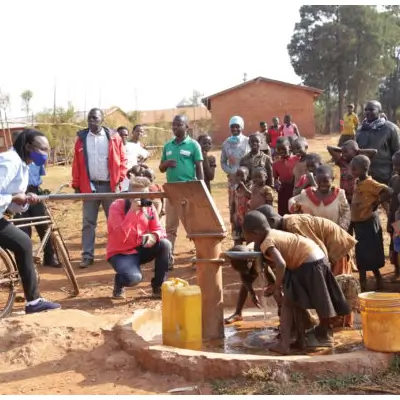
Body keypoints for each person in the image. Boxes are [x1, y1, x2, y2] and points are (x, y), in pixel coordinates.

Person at [242, 211, 350, 353]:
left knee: (288, 304)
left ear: (256, 233)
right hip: (314, 259)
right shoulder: (274, 233)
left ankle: (284, 344)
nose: (245, 238)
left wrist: (277, 287)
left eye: (246, 235)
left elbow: (281, 264)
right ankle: (301, 341)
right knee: (294, 302)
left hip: (308, 263)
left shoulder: (267, 242)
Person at [0, 129, 61, 313]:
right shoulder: (10, 161)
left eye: (47, 150)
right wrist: (13, 197)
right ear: (28, 147)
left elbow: (14, 206)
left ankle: (33, 301)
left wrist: (26, 199)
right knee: (23, 243)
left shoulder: (23, 165)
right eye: (42, 149)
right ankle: (33, 302)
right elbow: (9, 197)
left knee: (23, 243)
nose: (45, 154)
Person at [71, 108, 127, 268]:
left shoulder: (114, 137)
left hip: (110, 187)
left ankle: (117, 253)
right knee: (88, 223)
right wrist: (76, 185)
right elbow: (76, 164)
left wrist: (120, 177)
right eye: (89, 118)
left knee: (114, 221)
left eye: (95, 118)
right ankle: (87, 256)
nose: (91, 121)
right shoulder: (81, 139)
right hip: (89, 187)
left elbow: (123, 159)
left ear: (102, 120)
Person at [106, 176, 171, 299]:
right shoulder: (117, 206)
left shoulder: (148, 206)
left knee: (165, 244)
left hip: (140, 247)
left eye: (144, 195)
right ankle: (120, 281)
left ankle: (158, 287)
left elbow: (160, 229)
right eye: (138, 195)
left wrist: (154, 235)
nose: (142, 199)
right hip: (121, 252)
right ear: (129, 194)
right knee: (133, 278)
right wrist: (132, 212)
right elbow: (119, 237)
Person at [159, 115, 204, 266]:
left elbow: (199, 168)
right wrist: (166, 164)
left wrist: (200, 190)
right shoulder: (168, 146)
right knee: (170, 228)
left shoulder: (193, 145)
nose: (175, 127)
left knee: (193, 226)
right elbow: (161, 168)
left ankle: (200, 257)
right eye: (174, 125)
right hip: (171, 190)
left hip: (188, 190)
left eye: (179, 124)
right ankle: (168, 259)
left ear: (187, 127)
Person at [350, 155, 392, 292]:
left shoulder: (370, 183)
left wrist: (377, 202)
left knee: (371, 253)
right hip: (359, 224)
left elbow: (388, 191)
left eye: (354, 169)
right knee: (361, 253)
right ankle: (365, 283)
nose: (352, 171)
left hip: (368, 223)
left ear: (364, 169)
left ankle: (375, 280)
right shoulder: (358, 182)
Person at [14, 161, 60, 268]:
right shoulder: (14, 159)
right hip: (19, 196)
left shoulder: (36, 159)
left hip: (35, 194)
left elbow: (39, 174)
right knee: (23, 230)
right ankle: (26, 263)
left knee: (44, 226)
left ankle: (49, 257)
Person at [289, 165, 351, 233]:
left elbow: (346, 212)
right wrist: (297, 209)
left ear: (332, 179)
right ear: (315, 179)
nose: (322, 184)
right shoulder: (307, 194)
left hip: (333, 234)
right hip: (313, 234)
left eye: (325, 181)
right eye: (319, 181)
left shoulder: (339, 194)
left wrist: (342, 228)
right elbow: (292, 200)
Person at [356, 100, 400, 185]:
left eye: (371, 109)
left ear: (380, 111)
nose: (368, 112)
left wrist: (395, 175)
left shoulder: (391, 129)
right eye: (366, 110)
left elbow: (397, 152)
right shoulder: (360, 130)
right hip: (364, 177)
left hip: (385, 177)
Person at [220, 116, 250, 228]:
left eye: (237, 126)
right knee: (233, 205)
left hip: (246, 180)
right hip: (232, 180)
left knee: (245, 204)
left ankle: (246, 230)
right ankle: (235, 230)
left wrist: (246, 173)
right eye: (232, 127)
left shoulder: (247, 141)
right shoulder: (226, 143)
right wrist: (231, 172)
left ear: (242, 127)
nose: (235, 129)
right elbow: (223, 161)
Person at [327, 140, 377, 205]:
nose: (343, 154)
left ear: (355, 151)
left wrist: (358, 150)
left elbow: (374, 152)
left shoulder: (360, 162)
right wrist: (342, 149)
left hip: (357, 195)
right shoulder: (342, 162)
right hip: (345, 195)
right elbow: (329, 148)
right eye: (342, 152)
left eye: (346, 152)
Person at [117, 126, 149, 192]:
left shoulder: (134, 146)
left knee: (133, 195)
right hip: (120, 177)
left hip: (132, 177)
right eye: (121, 135)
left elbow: (147, 154)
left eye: (125, 135)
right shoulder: (115, 146)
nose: (123, 137)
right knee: (121, 195)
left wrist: (140, 163)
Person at [272, 137, 298, 215]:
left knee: (296, 212)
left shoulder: (297, 159)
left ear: (289, 147)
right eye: (278, 149)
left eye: (283, 148)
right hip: (283, 191)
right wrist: (276, 183)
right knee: (283, 213)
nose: (281, 151)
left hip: (296, 189)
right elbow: (275, 178)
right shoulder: (276, 164)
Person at [231, 166, 252, 245]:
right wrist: (232, 215)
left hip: (248, 216)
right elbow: (233, 202)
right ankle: (238, 250)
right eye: (237, 175)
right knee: (237, 236)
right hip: (238, 217)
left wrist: (243, 186)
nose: (239, 178)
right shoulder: (235, 187)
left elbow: (251, 195)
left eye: (242, 175)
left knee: (249, 237)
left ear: (247, 176)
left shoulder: (251, 186)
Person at [388, 151, 400, 282]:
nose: (396, 167)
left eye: (398, 165)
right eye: (394, 164)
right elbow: (390, 200)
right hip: (396, 219)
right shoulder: (394, 179)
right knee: (396, 247)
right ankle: (397, 271)